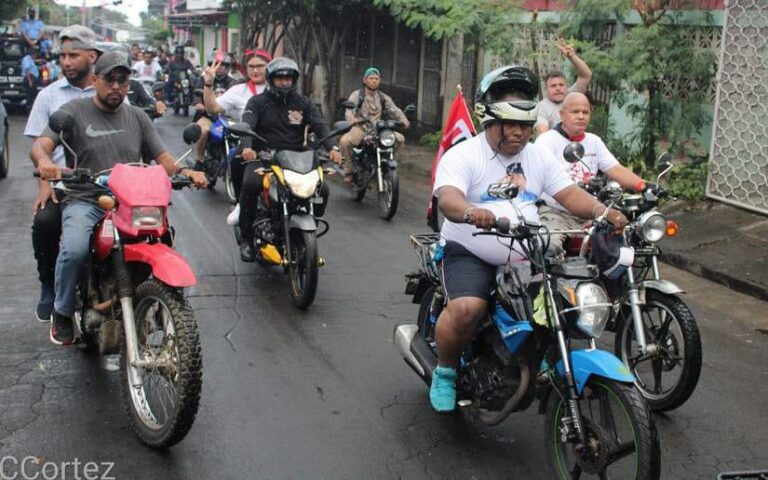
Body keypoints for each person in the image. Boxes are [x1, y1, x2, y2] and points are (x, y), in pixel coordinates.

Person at [428, 65, 628, 413]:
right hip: (469, 249)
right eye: (512, 125)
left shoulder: (538, 156)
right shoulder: (464, 155)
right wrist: (472, 211)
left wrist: (601, 211)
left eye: (525, 124)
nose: (520, 133)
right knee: (466, 309)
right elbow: (448, 199)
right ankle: (445, 372)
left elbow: (568, 194)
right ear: (490, 120)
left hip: (527, 251)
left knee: (565, 305)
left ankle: (539, 363)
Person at [29, 51, 208, 346]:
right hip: (87, 199)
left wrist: (187, 172)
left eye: (122, 80)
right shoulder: (74, 111)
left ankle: (165, 304)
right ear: (95, 79)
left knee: (162, 239)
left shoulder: (137, 116)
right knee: (73, 249)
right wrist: (45, 162)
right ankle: (61, 312)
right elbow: (40, 146)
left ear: (128, 83)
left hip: (132, 201)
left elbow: (161, 157)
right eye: (109, 79)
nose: (116, 86)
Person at [24, 25, 103, 324]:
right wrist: (45, 184)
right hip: (63, 185)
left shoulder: (109, 92)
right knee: (45, 222)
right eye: (63, 56)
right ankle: (49, 286)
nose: (67, 62)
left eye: (74, 55)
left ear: (92, 56)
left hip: (106, 183)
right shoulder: (49, 95)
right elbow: (38, 145)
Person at [237, 57, 342, 261]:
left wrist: (333, 148)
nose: (285, 82)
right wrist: (248, 147)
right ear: (271, 79)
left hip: (296, 159)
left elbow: (320, 125)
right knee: (250, 184)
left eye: (288, 78)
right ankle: (247, 239)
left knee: (323, 189)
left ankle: (306, 227)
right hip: (265, 157)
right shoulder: (257, 102)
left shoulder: (303, 102)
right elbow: (247, 126)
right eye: (280, 78)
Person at [535, 92, 646, 257]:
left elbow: (614, 168)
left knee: (626, 244)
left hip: (593, 212)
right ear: (562, 114)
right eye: (575, 112)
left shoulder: (593, 141)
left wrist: (644, 186)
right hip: (556, 213)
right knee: (547, 248)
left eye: (585, 112)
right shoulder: (546, 141)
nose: (581, 116)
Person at [202, 49, 272, 224]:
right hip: (250, 143)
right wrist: (208, 85)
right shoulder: (238, 91)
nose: (255, 70)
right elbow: (212, 108)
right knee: (237, 160)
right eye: (251, 66)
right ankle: (242, 203)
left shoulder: (279, 87)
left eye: (260, 66)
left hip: (281, 143)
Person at [339, 67, 409, 182]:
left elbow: (394, 110)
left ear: (379, 80)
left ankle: (386, 165)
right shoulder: (357, 95)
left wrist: (404, 120)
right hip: (360, 128)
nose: (374, 81)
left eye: (376, 78)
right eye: (371, 78)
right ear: (365, 80)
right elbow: (349, 110)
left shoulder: (383, 97)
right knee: (345, 141)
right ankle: (349, 170)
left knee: (400, 139)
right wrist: (352, 119)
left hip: (378, 129)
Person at [535, 39, 592, 135]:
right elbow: (543, 133)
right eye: (553, 86)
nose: (558, 88)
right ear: (546, 89)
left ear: (567, 86)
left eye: (561, 85)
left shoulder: (571, 96)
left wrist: (572, 57)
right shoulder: (542, 107)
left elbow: (586, 76)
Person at [192, 50, 238, 166]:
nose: (220, 67)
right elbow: (197, 94)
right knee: (203, 131)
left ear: (228, 67)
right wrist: (199, 104)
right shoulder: (204, 79)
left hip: (228, 118)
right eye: (217, 63)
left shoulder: (234, 82)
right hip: (208, 116)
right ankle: (200, 159)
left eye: (223, 65)